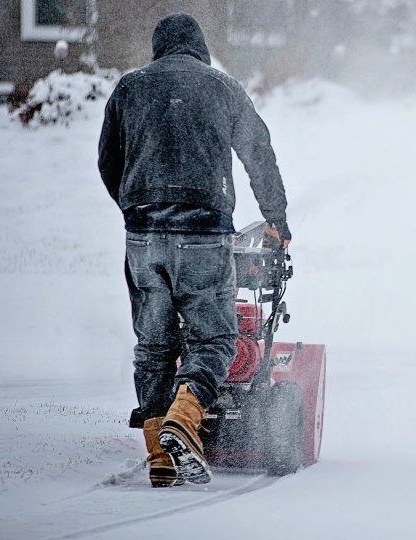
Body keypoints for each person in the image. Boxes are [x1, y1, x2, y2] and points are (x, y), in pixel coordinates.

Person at [98, 12, 291, 487]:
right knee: (214, 341)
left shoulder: (129, 88)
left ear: (158, 48)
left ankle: (159, 457)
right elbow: (258, 151)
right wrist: (276, 220)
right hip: (204, 233)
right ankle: (183, 422)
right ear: (200, 49)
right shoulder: (222, 88)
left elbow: (107, 160)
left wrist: (135, 206)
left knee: (154, 347)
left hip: (143, 235)